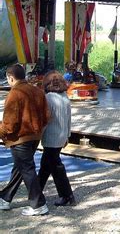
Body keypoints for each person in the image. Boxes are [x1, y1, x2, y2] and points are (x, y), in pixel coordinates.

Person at [0, 64, 50, 216]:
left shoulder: (15, 93)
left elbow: (10, 123)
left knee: (27, 169)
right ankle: (5, 198)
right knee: (20, 168)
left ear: (11, 77)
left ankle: (38, 204)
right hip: (34, 137)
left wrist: (1, 133)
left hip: (20, 138)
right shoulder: (37, 91)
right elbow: (47, 116)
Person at [39, 71, 76, 207]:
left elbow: (45, 120)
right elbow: (68, 119)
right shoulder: (65, 97)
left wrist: (38, 135)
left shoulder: (48, 98)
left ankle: (67, 195)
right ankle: (36, 191)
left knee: (55, 166)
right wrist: (68, 135)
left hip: (51, 137)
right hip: (61, 136)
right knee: (46, 165)